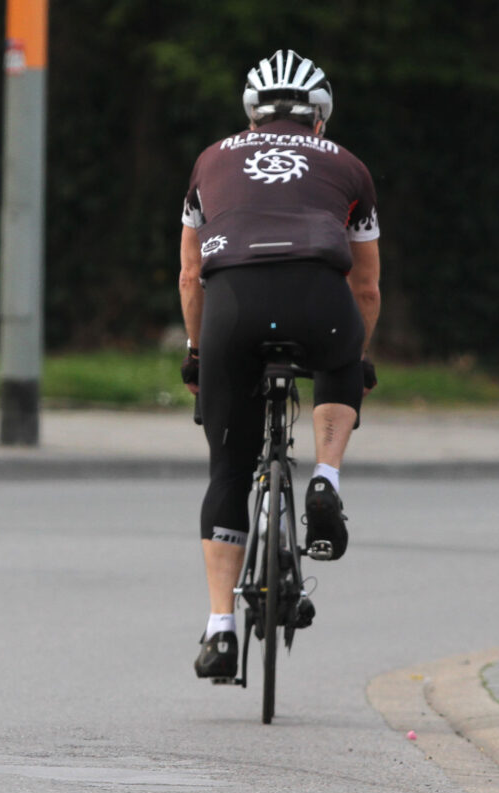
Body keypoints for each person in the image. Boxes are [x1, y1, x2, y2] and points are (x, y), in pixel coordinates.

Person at [177, 49, 381, 679]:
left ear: (251, 116)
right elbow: (367, 288)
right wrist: (357, 355)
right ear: (319, 117)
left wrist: (197, 354)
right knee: (344, 356)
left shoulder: (210, 160)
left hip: (232, 311)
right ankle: (325, 477)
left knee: (228, 471)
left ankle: (220, 631)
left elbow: (190, 276)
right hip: (318, 301)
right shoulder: (349, 166)